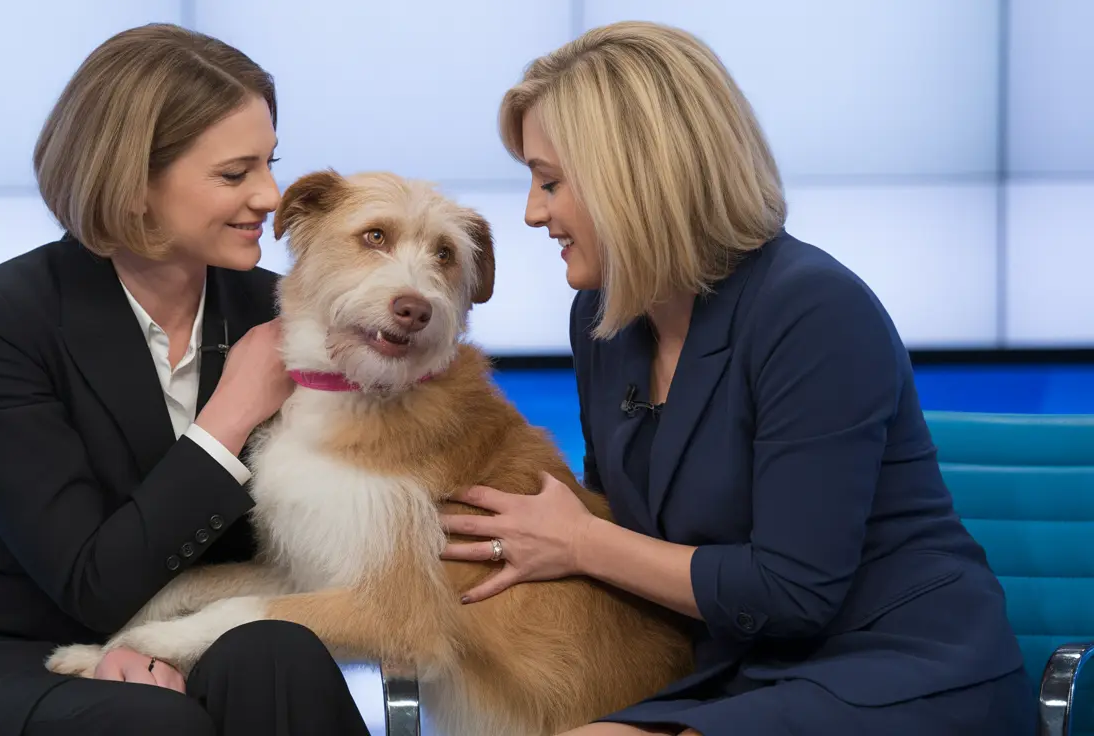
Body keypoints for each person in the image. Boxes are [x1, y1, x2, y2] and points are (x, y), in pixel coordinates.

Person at [439, 20, 1035, 736]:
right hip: (734, 671)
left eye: (551, 182)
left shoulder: (814, 309)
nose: (534, 213)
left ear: (634, 175)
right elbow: (613, 519)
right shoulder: (602, 317)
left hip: (897, 669)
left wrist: (581, 544)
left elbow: (792, 591)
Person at [0, 24, 370, 736]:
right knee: (152, 723)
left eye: (270, 163)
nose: (271, 196)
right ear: (134, 182)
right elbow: (90, 583)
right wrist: (230, 414)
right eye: (236, 174)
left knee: (282, 653)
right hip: (18, 656)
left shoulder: (290, 311)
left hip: (208, 633)